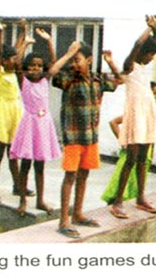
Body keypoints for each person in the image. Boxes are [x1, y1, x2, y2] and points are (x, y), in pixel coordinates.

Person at [51, 41, 122, 238]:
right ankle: (64, 219)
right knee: (70, 176)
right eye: (72, 60)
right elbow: (52, 71)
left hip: (91, 137)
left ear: (89, 60)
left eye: (77, 59)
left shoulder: (97, 80)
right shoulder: (68, 79)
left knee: (84, 175)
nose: (74, 64)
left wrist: (110, 62)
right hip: (73, 137)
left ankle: (78, 214)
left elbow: (120, 81)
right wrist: (67, 54)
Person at [110, 15, 156, 219]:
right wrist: (148, 28)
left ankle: (141, 197)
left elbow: (154, 44)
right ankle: (118, 201)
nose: (152, 58)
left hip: (147, 114)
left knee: (143, 159)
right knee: (130, 158)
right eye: (150, 54)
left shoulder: (144, 67)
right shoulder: (130, 65)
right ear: (143, 53)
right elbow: (137, 44)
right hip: (135, 115)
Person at [9, 21, 61, 216]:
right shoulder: (24, 80)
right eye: (31, 66)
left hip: (43, 125)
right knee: (26, 165)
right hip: (30, 124)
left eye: (39, 66)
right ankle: (22, 200)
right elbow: (17, 63)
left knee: (40, 165)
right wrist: (25, 41)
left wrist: (48, 41)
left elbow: (54, 62)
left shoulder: (45, 80)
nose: (35, 69)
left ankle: (40, 200)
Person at [0, 20, 31, 203]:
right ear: (3, 60)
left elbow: (19, 49)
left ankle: (18, 185)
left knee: (14, 153)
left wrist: (23, 29)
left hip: (15, 114)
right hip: (3, 114)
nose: (16, 60)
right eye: (12, 59)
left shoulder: (13, 72)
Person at [101, 81, 156, 205]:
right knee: (122, 180)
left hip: (145, 153)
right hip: (132, 151)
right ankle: (115, 201)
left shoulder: (153, 112)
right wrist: (123, 141)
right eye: (154, 94)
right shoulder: (137, 110)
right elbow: (113, 122)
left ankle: (137, 198)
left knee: (136, 182)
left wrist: (152, 153)